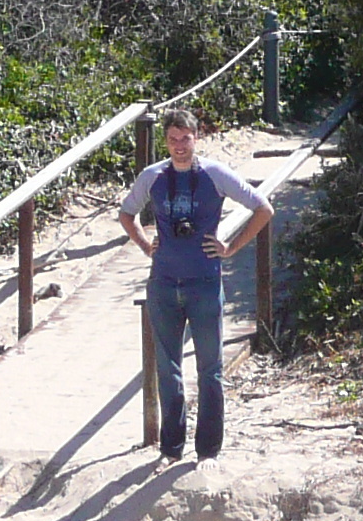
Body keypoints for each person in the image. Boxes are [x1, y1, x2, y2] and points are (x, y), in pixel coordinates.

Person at [116, 106, 271, 461]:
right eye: (172, 140)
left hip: (204, 282)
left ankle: (208, 450)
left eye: (185, 139)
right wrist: (144, 244)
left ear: (196, 138)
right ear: (165, 141)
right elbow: (127, 214)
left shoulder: (214, 174)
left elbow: (263, 208)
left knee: (210, 370)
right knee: (168, 369)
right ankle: (171, 448)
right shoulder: (153, 176)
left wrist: (230, 247)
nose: (179, 146)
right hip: (164, 283)